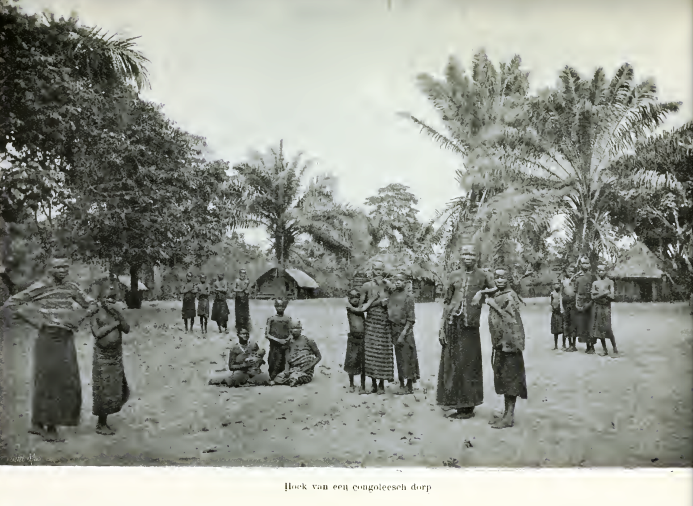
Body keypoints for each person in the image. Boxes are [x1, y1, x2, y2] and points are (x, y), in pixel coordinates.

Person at [2, 256, 98, 442]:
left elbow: (93, 304)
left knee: (67, 381)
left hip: (66, 337)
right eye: (59, 267)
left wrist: (79, 318)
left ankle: (39, 424)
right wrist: (34, 321)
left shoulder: (71, 287)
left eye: (65, 267)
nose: (63, 271)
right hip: (48, 338)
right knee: (47, 381)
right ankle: (48, 427)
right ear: (50, 269)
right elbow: (12, 303)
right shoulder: (41, 286)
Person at [437, 234, 497, 419]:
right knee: (450, 363)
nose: (468, 257)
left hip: (469, 326)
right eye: (465, 254)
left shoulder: (483, 275)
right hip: (452, 324)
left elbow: (496, 289)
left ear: (477, 257)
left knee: (468, 365)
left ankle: (468, 407)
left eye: (471, 254)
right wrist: (441, 327)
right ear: (460, 256)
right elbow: (447, 302)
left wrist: (482, 292)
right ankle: (451, 401)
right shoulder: (453, 275)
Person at [485, 268, 528, 429]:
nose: (499, 280)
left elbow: (510, 319)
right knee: (503, 377)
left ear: (508, 279)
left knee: (511, 379)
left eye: (503, 277)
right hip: (501, 343)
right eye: (496, 277)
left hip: (510, 344)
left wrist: (493, 305)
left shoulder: (510, 296)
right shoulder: (499, 294)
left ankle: (509, 416)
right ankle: (506, 413)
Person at [90, 279, 131, 435]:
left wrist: (118, 315)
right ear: (101, 296)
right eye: (107, 295)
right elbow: (97, 333)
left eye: (112, 296)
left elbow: (127, 329)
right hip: (102, 356)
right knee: (103, 388)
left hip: (116, 356)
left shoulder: (116, 312)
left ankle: (106, 418)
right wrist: (114, 324)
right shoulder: (95, 312)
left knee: (114, 387)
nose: (110, 299)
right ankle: (101, 424)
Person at [358, 261, 394, 395]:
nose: (378, 272)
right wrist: (378, 302)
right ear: (372, 270)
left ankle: (381, 384)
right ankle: (373, 383)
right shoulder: (366, 286)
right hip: (372, 323)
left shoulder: (387, 285)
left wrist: (388, 297)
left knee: (383, 353)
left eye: (380, 269)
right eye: (376, 269)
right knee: (372, 354)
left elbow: (396, 301)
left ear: (383, 270)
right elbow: (361, 307)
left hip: (385, 323)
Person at [387, 273, 419, 395]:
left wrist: (403, 334)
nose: (397, 282)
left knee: (408, 356)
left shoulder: (409, 297)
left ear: (405, 282)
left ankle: (409, 385)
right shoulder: (392, 295)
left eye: (400, 280)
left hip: (405, 330)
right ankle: (401, 383)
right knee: (399, 357)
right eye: (396, 280)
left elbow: (411, 319)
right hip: (394, 329)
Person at [271, 321, 322, 387]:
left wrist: (308, 367)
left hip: (305, 370)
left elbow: (318, 356)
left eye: (297, 328)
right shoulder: (289, 343)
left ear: (301, 330)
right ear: (290, 330)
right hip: (293, 369)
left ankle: (294, 379)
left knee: (296, 376)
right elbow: (287, 359)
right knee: (278, 378)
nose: (295, 330)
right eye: (292, 328)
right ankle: (292, 380)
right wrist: (286, 371)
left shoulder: (308, 340)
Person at [591, 264, 619, 356]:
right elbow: (592, 297)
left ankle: (615, 349)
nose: (600, 272)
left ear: (605, 271)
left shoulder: (610, 282)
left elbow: (612, 296)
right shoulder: (595, 283)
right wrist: (604, 294)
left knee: (608, 328)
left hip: (606, 307)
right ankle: (604, 349)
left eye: (602, 270)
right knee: (600, 329)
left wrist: (599, 295)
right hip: (598, 307)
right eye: (599, 270)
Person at [344, 289, 366, 393]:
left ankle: (363, 385)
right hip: (353, 338)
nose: (355, 299)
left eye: (357, 297)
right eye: (352, 297)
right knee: (351, 361)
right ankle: (351, 384)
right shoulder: (349, 308)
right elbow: (359, 309)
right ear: (349, 299)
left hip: (363, 338)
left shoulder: (361, 307)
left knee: (363, 362)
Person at [265, 298, 292, 380]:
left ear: (285, 307)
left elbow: (291, 333)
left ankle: (281, 378)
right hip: (274, 345)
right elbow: (267, 334)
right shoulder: (271, 319)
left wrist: (286, 340)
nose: (280, 308)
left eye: (282, 306)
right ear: (275, 307)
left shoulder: (288, 319)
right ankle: (272, 377)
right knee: (272, 361)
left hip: (284, 345)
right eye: (278, 306)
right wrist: (278, 340)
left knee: (283, 362)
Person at [574, 257, 597, 354]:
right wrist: (577, 303)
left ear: (590, 264)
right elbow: (576, 292)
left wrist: (591, 301)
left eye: (587, 263)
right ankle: (587, 345)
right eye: (583, 263)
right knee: (583, 324)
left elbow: (595, 290)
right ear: (580, 264)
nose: (585, 265)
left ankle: (592, 346)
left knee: (591, 324)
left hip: (591, 302)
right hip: (581, 302)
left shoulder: (593, 277)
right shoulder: (577, 277)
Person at [561, 264, 578, 352]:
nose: (571, 273)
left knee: (573, 325)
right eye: (569, 271)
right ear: (566, 272)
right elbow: (561, 294)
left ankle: (573, 345)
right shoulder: (563, 281)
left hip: (574, 305)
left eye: (572, 272)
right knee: (566, 325)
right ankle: (569, 344)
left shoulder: (576, 281)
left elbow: (577, 293)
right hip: (565, 305)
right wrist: (561, 307)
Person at [233, 269, 253, 334]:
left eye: (244, 273)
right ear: (240, 274)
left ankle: (246, 326)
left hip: (245, 298)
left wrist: (247, 290)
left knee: (245, 312)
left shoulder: (247, 281)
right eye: (242, 273)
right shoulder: (237, 281)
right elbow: (234, 289)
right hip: (238, 298)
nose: (243, 274)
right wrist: (240, 290)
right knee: (238, 312)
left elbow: (249, 290)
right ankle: (239, 326)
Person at [550, 281, 564, 350]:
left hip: (561, 312)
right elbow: (551, 303)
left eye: (558, 284)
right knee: (555, 330)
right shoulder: (552, 294)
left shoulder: (562, 293)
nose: (557, 286)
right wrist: (553, 308)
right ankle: (556, 345)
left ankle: (564, 344)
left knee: (563, 329)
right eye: (555, 285)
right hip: (555, 313)